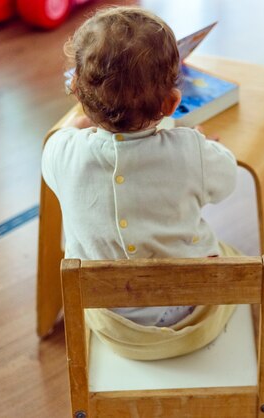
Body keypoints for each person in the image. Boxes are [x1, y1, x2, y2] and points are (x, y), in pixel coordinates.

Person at [41, 6, 239, 360]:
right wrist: (199, 144)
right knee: (230, 253)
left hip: (111, 320)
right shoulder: (191, 151)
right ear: (172, 103)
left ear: (77, 93)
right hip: (188, 316)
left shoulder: (60, 152)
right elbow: (228, 180)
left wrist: (79, 122)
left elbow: (63, 136)